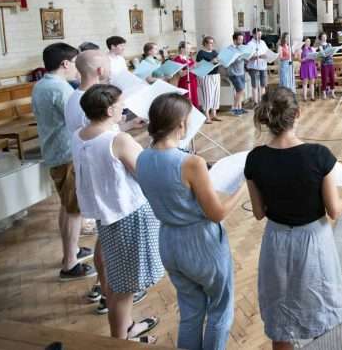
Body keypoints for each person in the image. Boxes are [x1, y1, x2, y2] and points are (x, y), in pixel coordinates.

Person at [245, 87, 342, 349]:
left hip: (276, 240)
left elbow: (259, 212)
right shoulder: (318, 156)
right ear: (298, 113)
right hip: (313, 239)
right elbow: (335, 210)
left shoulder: (255, 159)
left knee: (281, 316)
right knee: (322, 309)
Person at [136, 94, 243, 350]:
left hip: (169, 241)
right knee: (220, 309)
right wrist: (242, 187)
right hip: (200, 242)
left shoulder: (142, 157)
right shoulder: (190, 163)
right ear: (181, 124)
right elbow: (216, 213)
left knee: (191, 311)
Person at [72, 85, 163, 343]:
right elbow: (144, 172)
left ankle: (127, 328)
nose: (124, 108)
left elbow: (106, 143)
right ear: (110, 109)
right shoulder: (118, 140)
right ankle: (119, 341)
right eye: (120, 105)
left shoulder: (81, 134)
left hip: (105, 213)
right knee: (123, 288)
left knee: (116, 280)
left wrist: (128, 127)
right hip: (128, 213)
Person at [31, 43, 95, 281]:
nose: (76, 68)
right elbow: (81, 120)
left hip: (55, 151)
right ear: (65, 64)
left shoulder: (41, 84)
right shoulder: (60, 89)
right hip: (66, 154)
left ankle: (74, 250)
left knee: (67, 206)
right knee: (74, 210)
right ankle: (70, 264)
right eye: (74, 63)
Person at [195, 36, 222, 123]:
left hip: (216, 75)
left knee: (215, 95)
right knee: (208, 96)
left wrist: (220, 61)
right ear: (205, 43)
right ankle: (207, 116)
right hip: (206, 76)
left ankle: (214, 114)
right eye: (210, 43)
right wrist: (210, 62)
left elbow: (218, 61)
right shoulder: (201, 53)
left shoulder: (214, 52)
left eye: (212, 43)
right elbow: (198, 65)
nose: (211, 45)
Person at [246, 28, 271, 105]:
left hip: (263, 66)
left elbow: (267, 52)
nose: (260, 36)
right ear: (253, 34)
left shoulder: (263, 42)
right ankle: (255, 102)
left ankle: (262, 101)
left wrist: (269, 55)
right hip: (254, 67)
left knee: (263, 84)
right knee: (255, 85)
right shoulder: (249, 44)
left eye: (260, 34)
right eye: (258, 34)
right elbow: (248, 57)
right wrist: (259, 56)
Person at [173, 41, 199, 109]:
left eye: (190, 48)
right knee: (186, 100)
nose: (189, 50)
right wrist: (191, 68)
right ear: (182, 49)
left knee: (194, 99)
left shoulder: (189, 58)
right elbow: (181, 74)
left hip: (193, 81)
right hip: (185, 82)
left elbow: (193, 68)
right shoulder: (177, 59)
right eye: (188, 48)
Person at [226, 32, 248, 115]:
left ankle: (239, 108)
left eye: (242, 39)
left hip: (241, 72)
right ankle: (234, 108)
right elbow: (229, 60)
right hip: (233, 73)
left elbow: (244, 59)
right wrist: (239, 57)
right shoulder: (230, 49)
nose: (241, 41)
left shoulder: (242, 48)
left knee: (239, 91)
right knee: (240, 90)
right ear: (235, 39)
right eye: (240, 39)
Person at [318, 32, 336, 99]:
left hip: (331, 63)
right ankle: (324, 93)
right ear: (321, 38)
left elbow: (331, 54)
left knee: (332, 78)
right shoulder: (320, 46)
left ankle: (332, 93)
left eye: (325, 36)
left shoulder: (329, 44)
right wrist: (327, 53)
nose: (324, 38)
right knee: (324, 79)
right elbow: (323, 55)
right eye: (323, 37)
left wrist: (331, 53)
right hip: (324, 64)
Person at [299, 37, 318, 102]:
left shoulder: (312, 49)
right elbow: (300, 60)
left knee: (312, 82)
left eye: (309, 41)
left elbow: (315, 58)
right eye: (307, 41)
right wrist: (305, 58)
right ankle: (305, 97)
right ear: (304, 42)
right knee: (305, 83)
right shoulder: (301, 50)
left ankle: (312, 97)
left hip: (312, 66)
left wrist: (315, 57)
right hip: (305, 67)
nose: (308, 42)